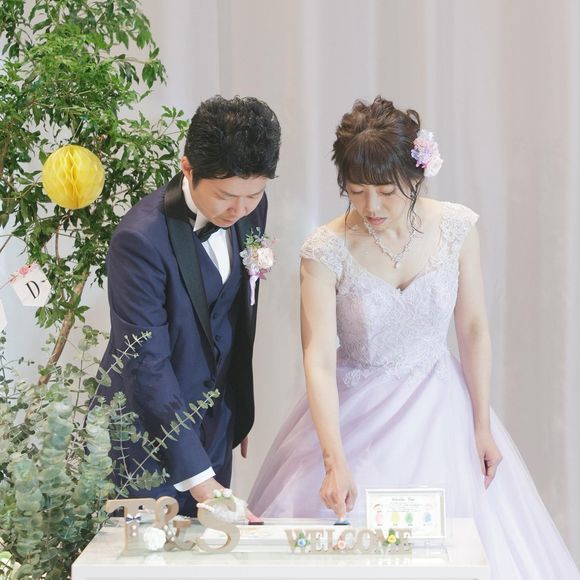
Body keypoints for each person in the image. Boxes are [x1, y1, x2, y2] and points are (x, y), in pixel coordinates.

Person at [248, 97, 579, 578]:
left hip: (442, 411)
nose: (371, 207)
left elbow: (473, 328)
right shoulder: (325, 249)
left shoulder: (457, 227)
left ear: (416, 175)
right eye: (356, 191)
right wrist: (333, 458)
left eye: (386, 191)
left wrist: (481, 424)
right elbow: (317, 356)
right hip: (356, 415)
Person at [99, 95, 281, 516]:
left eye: (254, 195)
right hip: (145, 440)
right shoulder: (139, 240)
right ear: (187, 167)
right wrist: (201, 482)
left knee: (212, 548)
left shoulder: (249, 211)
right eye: (226, 196)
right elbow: (145, 365)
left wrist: (238, 408)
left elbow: (235, 317)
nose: (239, 209)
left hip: (215, 429)